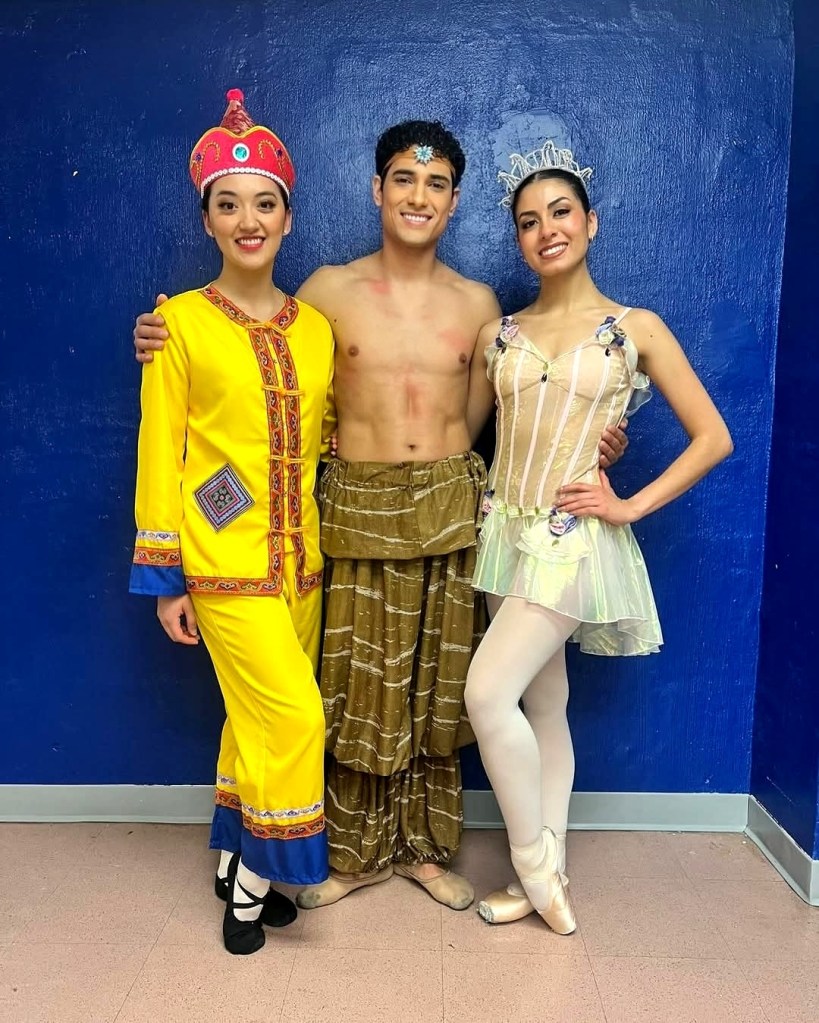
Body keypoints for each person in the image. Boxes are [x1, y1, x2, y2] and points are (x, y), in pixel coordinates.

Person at [132, 122, 629, 912]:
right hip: (353, 510)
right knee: (355, 688)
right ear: (377, 189)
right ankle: (356, 853)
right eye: (403, 178)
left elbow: (504, 411)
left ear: (454, 201)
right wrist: (166, 332)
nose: (418, 196)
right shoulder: (325, 292)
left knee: (436, 690)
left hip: (447, 509)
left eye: (435, 184)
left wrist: (596, 434)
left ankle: (424, 850)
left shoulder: (478, 303)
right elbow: (256, 349)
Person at [463, 141, 733, 934]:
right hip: (501, 531)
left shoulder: (632, 327)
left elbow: (712, 436)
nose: (545, 229)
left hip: (570, 536)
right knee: (543, 702)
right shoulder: (498, 333)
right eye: (527, 221)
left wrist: (628, 503)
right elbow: (463, 433)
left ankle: (532, 867)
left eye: (559, 213)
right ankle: (548, 871)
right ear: (518, 238)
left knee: (486, 694)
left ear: (590, 222)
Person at [129, 89, 334, 954]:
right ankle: (251, 888)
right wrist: (164, 575)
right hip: (221, 564)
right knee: (295, 719)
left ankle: (225, 858)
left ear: (287, 217)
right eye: (228, 204)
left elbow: (327, 439)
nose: (248, 220)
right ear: (208, 220)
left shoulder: (316, 329)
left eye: (264, 204)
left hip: (302, 565)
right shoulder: (175, 324)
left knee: (251, 721)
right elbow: (161, 450)